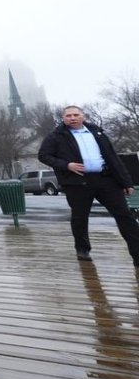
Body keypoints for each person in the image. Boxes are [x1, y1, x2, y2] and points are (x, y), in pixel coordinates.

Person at [37, 105, 139, 266]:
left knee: (124, 215)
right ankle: (82, 249)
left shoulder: (98, 133)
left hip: (106, 179)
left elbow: (113, 158)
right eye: (68, 115)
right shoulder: (56, 136)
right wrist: (66, 165)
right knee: (80, 217)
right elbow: (43, 155)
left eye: (76, 114)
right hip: (77, 183)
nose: (72, 118)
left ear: (83, 116)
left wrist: (126, 182)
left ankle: (137, 253)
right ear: (63, 118)